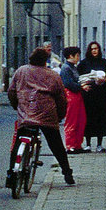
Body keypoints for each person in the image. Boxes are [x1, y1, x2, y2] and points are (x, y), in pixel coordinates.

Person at [7, 47, 75, 185]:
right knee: (56, 144)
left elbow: (11, 91)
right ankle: (67, 172)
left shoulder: (21, 71)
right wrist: (60, 115)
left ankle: (11, 174)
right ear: (46, 61)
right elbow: (61, 99)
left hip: (26, 113)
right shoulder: (53, 75)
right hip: (47, 114)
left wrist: (16, 106)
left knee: (18, 142)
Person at [78, 40, 106, 152]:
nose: (94, 51)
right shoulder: (83, 63)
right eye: (92, 49)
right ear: (89, 50)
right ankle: (87, 144)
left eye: (96, 49)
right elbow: (78, 77)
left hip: (101, 95)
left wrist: (105, 80)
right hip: (88, 95)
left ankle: (99, 144)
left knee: (101, 119)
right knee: (88, 119)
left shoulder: (104, 62)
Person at [59, 47, 86, 153]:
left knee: (80, 120)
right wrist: (81, 86)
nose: (78, 58)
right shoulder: (66, 68)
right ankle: (70, 145)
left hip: (77, 95)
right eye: (77, 55)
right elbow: (69, 84)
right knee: (72, 121)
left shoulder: (73, 67)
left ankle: (77, 144)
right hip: (71, 95)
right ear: (71, 56)